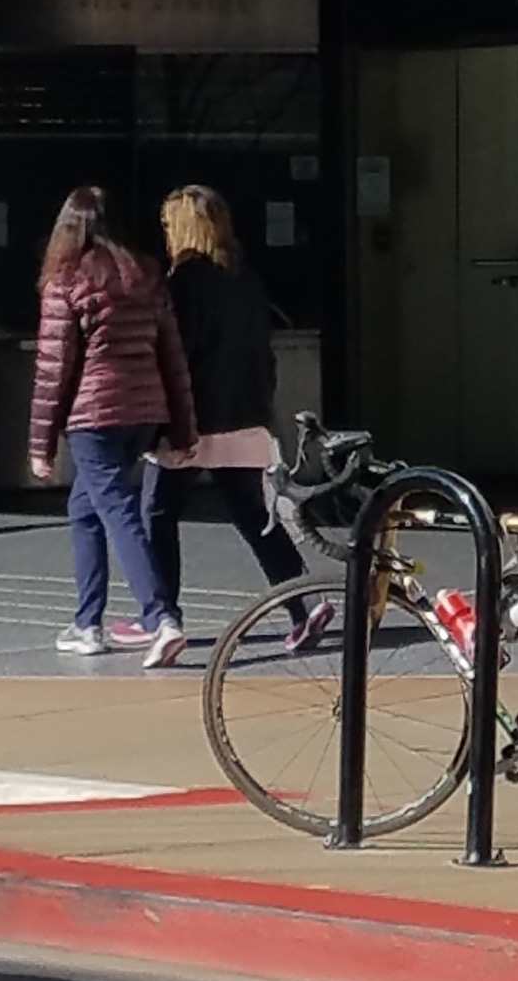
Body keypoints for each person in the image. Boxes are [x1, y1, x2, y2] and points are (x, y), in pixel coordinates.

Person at [140, 185, 331, 656]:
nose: (165, 233)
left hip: (193, 419)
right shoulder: (245, 279)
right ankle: (302, 602)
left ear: (183, 228)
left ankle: (163, 615)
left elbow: (175, 357)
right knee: (253, 515)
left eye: (168, 225)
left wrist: (158, 420)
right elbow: (262, 353)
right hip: (245, 416)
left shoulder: (182, 283)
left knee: (156, 514)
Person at [28, 185, 196, 669]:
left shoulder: (67, 281)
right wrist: (182, 429)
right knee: (85, 509)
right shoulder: (146, 276)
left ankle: (160, 618)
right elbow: (172, 356)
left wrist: (40, 445)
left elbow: (53, 368)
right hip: (144, 414)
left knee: (118, 512)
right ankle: (87, 623)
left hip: (94, 419)